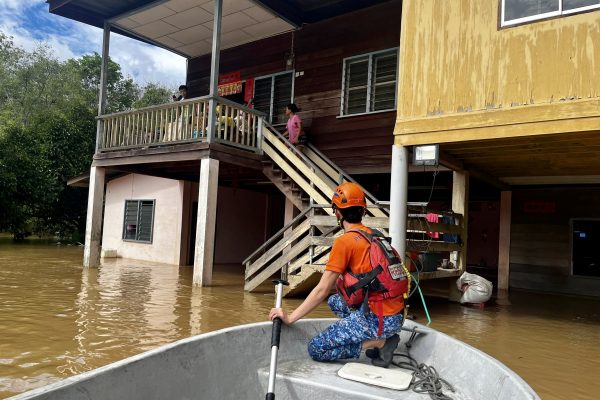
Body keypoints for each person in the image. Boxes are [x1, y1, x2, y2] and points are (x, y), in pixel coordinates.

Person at [269, 182, 406, 367]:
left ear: (338, 213)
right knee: (335, 301)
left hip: (378, 319)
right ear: (363, 211)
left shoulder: (344, 242)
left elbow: (322, 289)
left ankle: (380, 342)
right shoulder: (375, 235)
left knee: (316, 348)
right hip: (396, 315)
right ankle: (369, 331)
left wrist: (290, 317)